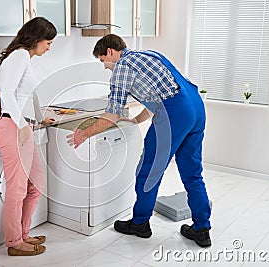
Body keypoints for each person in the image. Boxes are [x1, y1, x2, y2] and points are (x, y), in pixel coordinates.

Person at [66, 34, 212, 247]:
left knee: (148, 172)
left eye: (103, 61)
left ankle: (140, 223)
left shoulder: (122, 67)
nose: (106, 67)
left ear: (110, 52)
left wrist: (84, 133)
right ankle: (202, 229)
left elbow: (111, 115)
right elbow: (161, 97)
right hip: (196, 108)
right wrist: (136, 119)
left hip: (175, 115)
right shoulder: (150, 54)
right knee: (192, 173)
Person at [0, 17, 56, 256]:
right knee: (17, 189)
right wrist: (21, 126)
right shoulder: (19, 55)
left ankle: (23, 234)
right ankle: (14, 242)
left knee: (36, 184)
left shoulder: (27, 59)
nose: (49, 47)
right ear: (36, 38)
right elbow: (6, 92)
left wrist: (38, 119)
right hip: (12, 127)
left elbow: (29, 96)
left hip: (23, 127)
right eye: (48, 42)